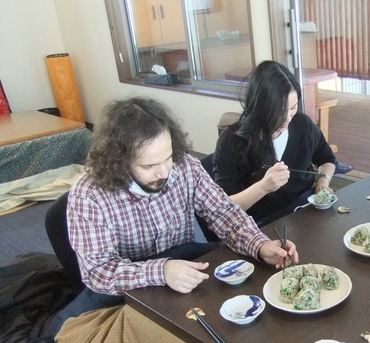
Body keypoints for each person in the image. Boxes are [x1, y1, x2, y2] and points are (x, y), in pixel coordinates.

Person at [66, 96, 297, 301]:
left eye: (167, 158)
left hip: (184, 268)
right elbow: (98, 271)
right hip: (130, 289)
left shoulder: (185, 166)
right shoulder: (89, 195)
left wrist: (260, 245)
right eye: (149, 166)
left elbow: (224, 213)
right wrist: (161, 271)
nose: (165, 172)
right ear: (118, 161)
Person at [213, 60, 338, 226]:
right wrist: (263, 187)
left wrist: (322, 181)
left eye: (293, 108)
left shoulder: (302, 125)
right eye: (279, 111)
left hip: (306, 211)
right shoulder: (233, 141)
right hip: (264, 226)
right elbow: (223, 208)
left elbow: (327, 159)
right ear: (260, 107)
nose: (287, 118)